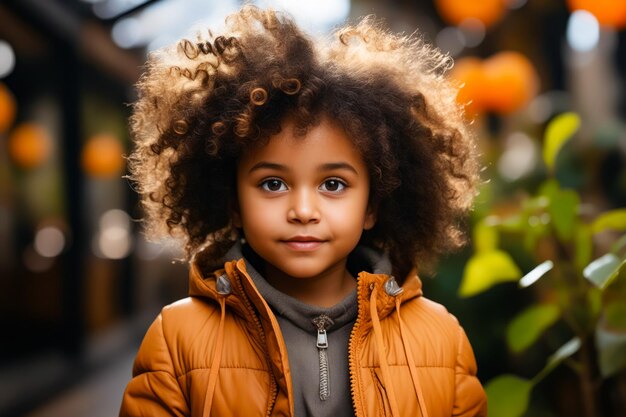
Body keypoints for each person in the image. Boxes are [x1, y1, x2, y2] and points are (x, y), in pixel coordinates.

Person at [120, 5, 487, 417]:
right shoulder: (177, 340)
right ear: (233, 202)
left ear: (373, 205)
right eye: (272, 184)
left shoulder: (441, 339)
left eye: (333, 184)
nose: (303, 210)